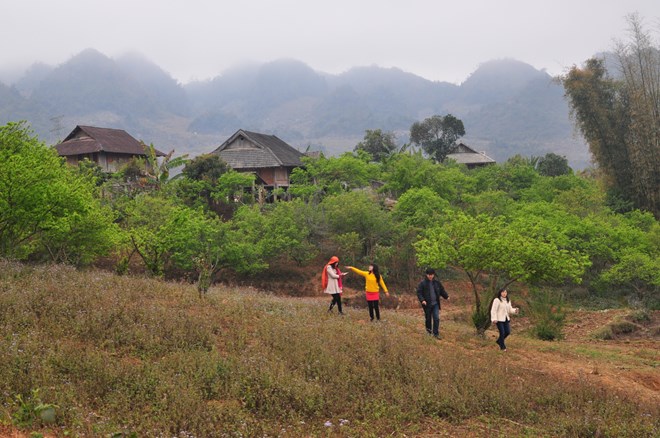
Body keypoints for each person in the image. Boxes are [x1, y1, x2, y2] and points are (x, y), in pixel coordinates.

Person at [416, 268, 449, 339]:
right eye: (429, 275)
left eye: (432, 275)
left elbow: (442, 291)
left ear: (434, 275)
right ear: (426, 275)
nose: (430, 276)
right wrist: (422, 300)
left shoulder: (437, 283)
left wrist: (446, 296)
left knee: (436, 318)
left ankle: (436, 334)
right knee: (428, 319)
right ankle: (428, 332)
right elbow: (419, 293)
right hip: (427, 304)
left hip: (435, 304)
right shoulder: (422, 283)